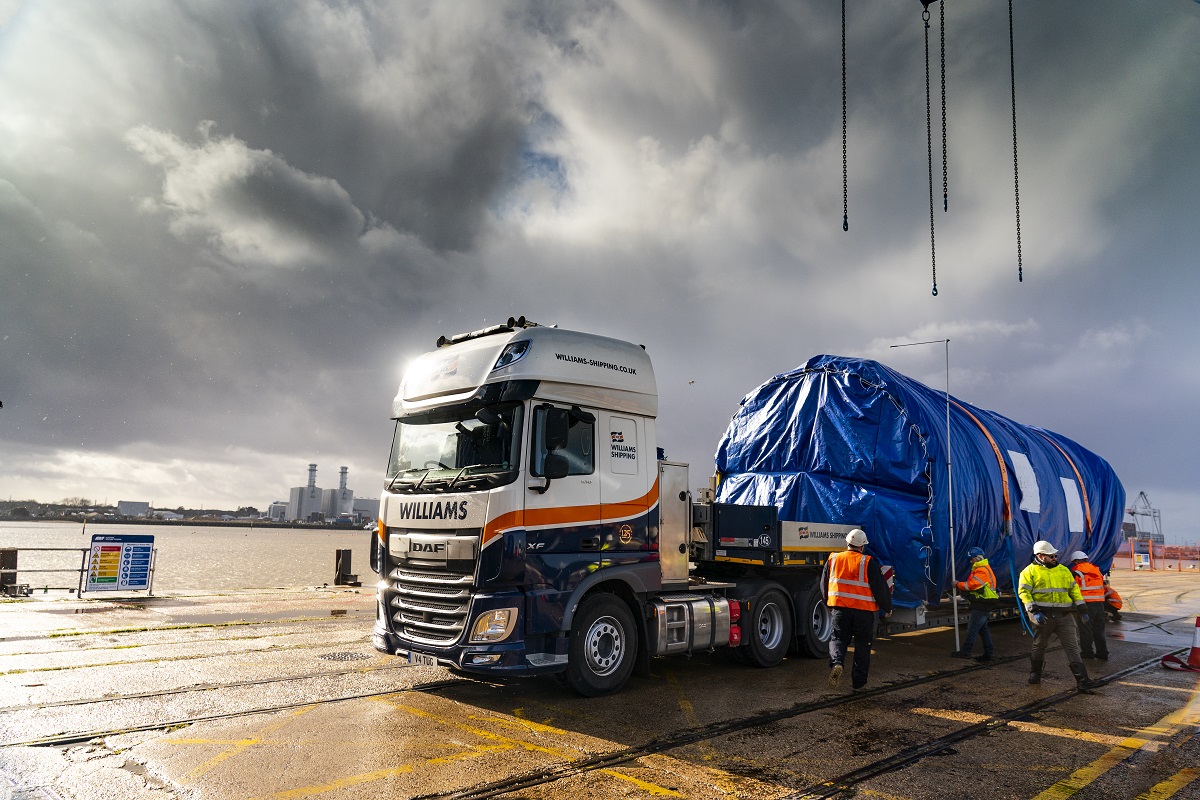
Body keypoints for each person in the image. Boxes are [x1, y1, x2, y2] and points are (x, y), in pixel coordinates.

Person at [1018, 540, 1099, 691]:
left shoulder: (1063, 570)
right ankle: (1035, 674)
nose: (1055, 558)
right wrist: (1034, 611)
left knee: (1072, 647)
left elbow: (1073, 590)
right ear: (1041, 556)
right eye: (1052, 556)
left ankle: (1083, 681)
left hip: (1064, 616)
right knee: (1039, 645)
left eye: (1055, 555)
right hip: (1043, 616)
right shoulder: (1029, 572)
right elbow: (1024, 592)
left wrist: (1082, 608)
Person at [822, 528, 893, 691]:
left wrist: (828, 602)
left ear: (847, 543)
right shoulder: (867, 562)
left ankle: (837, 663)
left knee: (838, 639)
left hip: (840, 609)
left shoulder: (833, 558)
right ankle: (858, 683)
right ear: (862, 547)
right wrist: (887, 607)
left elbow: (824, 584)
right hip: (864, 613)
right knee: (862, 645)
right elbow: (880, 588)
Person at [950, 546, 998, 662]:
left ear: (977, 558)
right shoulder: (983, 569)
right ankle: (989, 653)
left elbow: (971, 585)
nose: (970, 561)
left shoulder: (982, 570)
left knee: (973, 628)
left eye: (971, 559)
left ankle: (966, 651)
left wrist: (957, 584)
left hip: (982, 603)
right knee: (983, 629)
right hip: (984, 602)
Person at [1069, 551, 1109, 660]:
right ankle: (1102, 652)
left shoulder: (1076, 572)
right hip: (1100, 604)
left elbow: (1073, 589)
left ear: (1076, 561)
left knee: (1086, 629)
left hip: (1085, 605)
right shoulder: (1097, 570)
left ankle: (1087, 652)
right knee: (1099, 630)